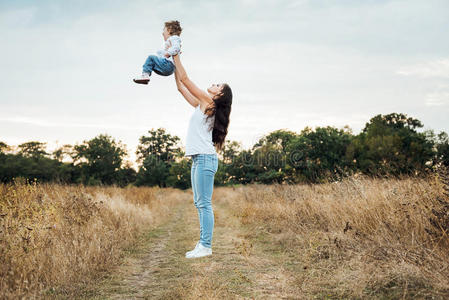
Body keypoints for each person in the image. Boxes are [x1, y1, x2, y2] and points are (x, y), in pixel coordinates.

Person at [172, 53, 233, 259]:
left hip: (205, 159)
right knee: (199, 203)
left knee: (204, 203)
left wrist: (176, 55)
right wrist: (173, 66)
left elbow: (187, 80)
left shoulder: (210, 102)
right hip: (198, 159)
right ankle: (202, 244)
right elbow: (181, 87)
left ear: (220, 94)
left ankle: (206, 246)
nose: (213, 84)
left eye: (218, 85)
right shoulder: (202, 105)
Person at [133, 20, 182, 85]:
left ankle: (145, 75)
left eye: (164, 30)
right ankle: (146, 77)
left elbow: (176, 48)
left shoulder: (174, 38)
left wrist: (169, 53)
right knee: (152, 62)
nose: (162, 33)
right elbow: (172, 50)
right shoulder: (171, 41)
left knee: (151, 58)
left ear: (169, 30)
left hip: (168, 65)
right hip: (168, 69)